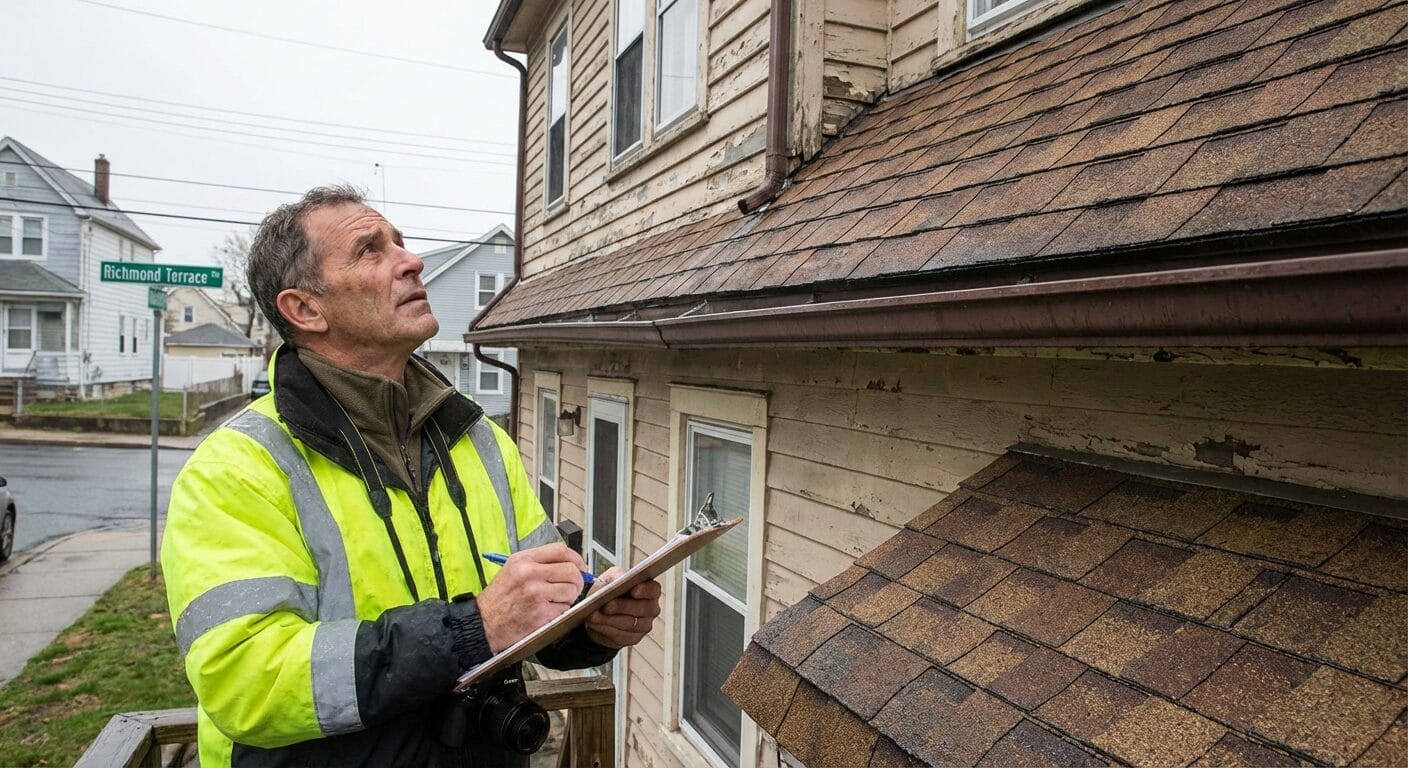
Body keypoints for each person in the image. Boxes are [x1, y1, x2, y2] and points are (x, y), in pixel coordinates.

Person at [162, 185, 661, 767]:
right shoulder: (236, 469)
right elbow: (246, 678)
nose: (412, 260)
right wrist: (473, 629)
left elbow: (540, 603)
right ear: (305, 309)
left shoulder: (480, 441)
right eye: (370, 250)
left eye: (400, 241)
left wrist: (591, 624)